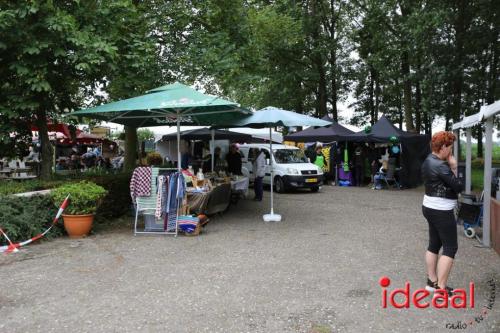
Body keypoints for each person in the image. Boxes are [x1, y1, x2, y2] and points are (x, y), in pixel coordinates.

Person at [421, 131, 464, 298]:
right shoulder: (441, 165)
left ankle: (432, 283)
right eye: (450, 148)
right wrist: (453, 167)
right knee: (450, 247)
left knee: (434, 244)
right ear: (443, 147)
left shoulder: (428, 161)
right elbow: (458, 186)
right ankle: (441, 288)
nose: (451, 152)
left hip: (429, 207)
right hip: (441, 209)